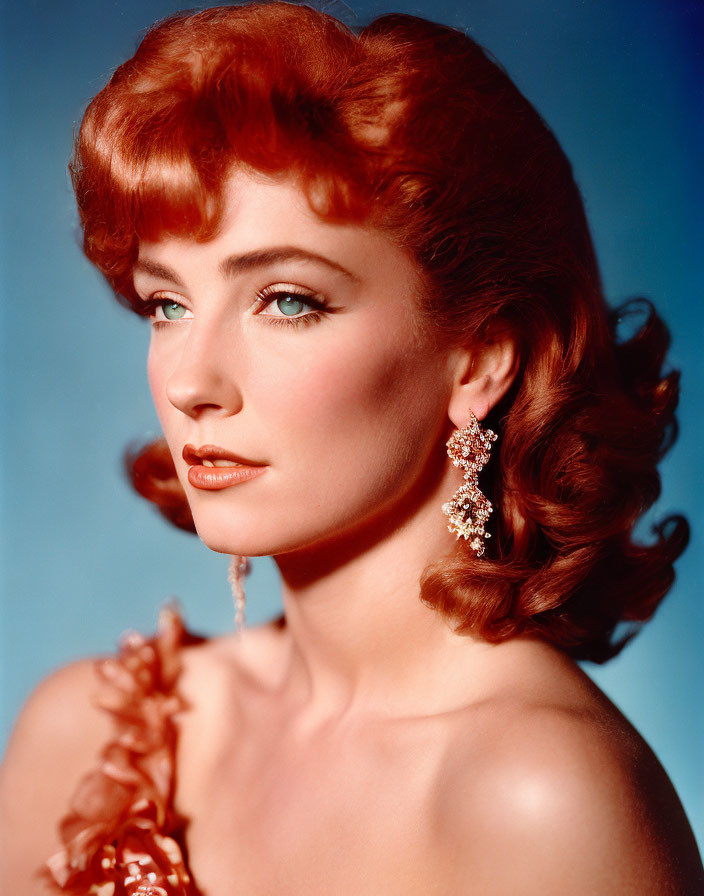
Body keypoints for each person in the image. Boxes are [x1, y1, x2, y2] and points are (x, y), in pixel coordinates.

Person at [1, 2, 702, 893]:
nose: (190, 382)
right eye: (166, 304)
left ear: (481, 357)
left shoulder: (543, 803)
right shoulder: (89, 735)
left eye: (289, 300)